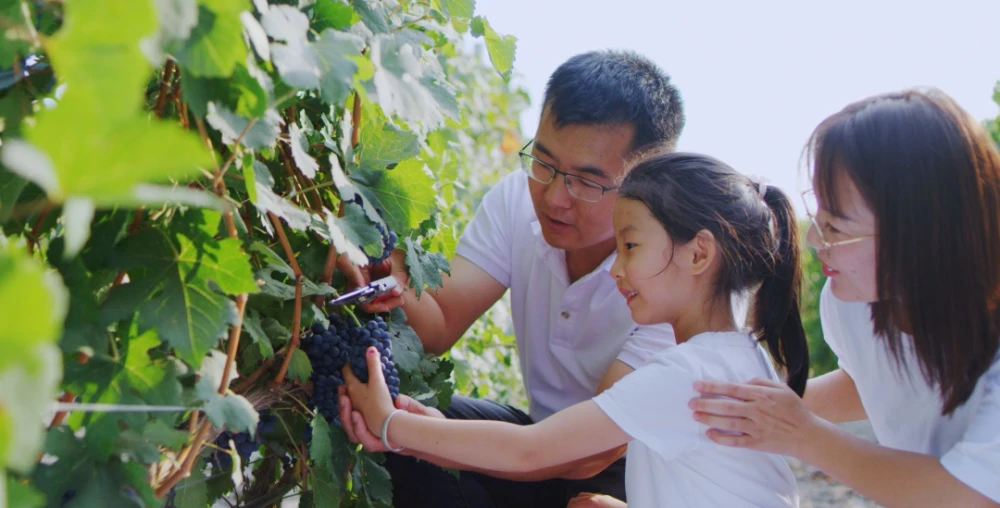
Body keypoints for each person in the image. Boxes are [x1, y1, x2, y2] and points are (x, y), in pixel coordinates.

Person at [343, 152, 810, 508]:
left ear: (698, 254)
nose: (615, 269)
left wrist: (391, 424)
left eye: (630, 246)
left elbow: (531, 451)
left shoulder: (685, 373)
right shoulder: (737, 355)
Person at [335, 50, 685, 507]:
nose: (555, 197)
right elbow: (438, 323)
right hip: (539, 442)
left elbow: (591, 452)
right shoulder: (516, 202)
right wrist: (383, 266)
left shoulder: (669, 277)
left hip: (633, 477)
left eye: (588, 181)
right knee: (408, 427)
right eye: (543, 161)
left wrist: (409, 431)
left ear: (646, 182)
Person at [690, 89, 1000, 506]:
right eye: (817, 216)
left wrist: (801, 433)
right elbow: (873, 380)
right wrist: (760, 406)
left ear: (923, 233)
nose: (815, 241)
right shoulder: (851, 297)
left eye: (836, 227)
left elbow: (968, 495)